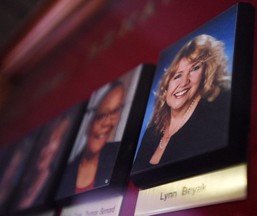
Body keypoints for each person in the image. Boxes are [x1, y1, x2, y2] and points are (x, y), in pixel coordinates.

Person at [133, 34, 231, 171]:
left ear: (205, 75)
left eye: (195, 69)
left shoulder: (215, 115)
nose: (184, 81)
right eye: (177, 75)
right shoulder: (152, 131)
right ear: (166, 86)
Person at [56, 81, 125, 198]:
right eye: (100, 116)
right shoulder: (64, 176)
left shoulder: (119, 155)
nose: (107, 123)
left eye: (114, 112)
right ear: (87, 122)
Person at [17, 116, 71, 209]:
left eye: (55, 138)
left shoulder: (58, 186)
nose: (46, 148)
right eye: (46, 138)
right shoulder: (22, 181)